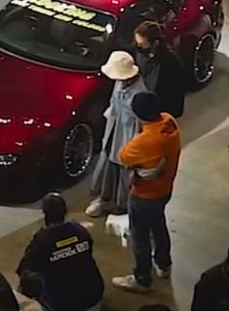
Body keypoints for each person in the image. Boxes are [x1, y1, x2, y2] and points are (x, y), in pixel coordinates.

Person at [112, 91, 182, 294]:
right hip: (165, 189)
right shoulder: (169, 122)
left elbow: (123, 156)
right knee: (158, 226)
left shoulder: (147, 140)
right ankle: (164, 263)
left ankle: (142, 278)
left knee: (140, 236)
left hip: (145, 195)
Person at [17, 192, 104, 311]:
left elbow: (25, 270)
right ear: (65, 211)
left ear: (45, 214)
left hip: (63, 305)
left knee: (30, 276)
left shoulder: (41, 240)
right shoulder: (81, 231)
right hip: (93, 298)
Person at [86, 51, 147, 218]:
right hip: (113, 129)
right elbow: (113, 105)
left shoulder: (139, 93)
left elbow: (140, 122)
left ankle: (121, 203)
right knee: (107, 163)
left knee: (123, 169)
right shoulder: (120, 84)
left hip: (128, 135)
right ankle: (104, 197)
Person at [133, 20, 185, 118]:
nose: (139, 46)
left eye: (143, 44)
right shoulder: (139, 53)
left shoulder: (170, 63)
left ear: (155, 43)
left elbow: (175, 93)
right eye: (137, 43)